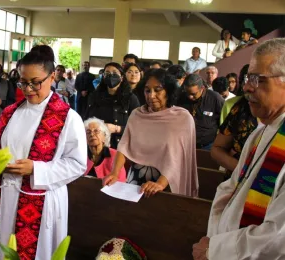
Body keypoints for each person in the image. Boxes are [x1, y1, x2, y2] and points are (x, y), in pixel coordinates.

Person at [0, 45, 87, 260]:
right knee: (1, 248)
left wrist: (36, 169)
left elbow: (77, 163)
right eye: (23, 82)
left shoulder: (67, 117)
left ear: (52, 76)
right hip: (5, 196)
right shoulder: (10, 112)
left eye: (35, 83)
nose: (28, 89)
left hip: (42, 201)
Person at [193, 38, 285, 260]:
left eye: (257, 79)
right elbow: (230, 190)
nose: (246, 87)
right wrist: (214, 240)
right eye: (247, 78)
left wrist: (216, 249)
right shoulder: (259, 134)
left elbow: (279, 237)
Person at [104, 69, 198, 198]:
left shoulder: (182, 118)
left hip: (168, 182)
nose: (151, 95)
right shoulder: (137, 115)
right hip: (136, 181)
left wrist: (160, 184)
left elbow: (179, 158)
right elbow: (124, 147)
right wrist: (114, 173)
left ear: (168, 91)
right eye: (147, 90)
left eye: (158, 90)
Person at [83, 62, 140, 149]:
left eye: (114, 73)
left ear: (121, 77)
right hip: (97, 146)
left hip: (120, 147)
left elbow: (137, 127)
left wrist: (117, 128)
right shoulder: (94, 96)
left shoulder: (131, 98)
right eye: (107, 73)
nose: (111, 75)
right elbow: (87, 119)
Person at [178, 74, 225, 150]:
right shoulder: (181, 97)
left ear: (202, 88)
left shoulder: (215, 98)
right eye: (187, 93)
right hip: (185, 145)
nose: (190, 97)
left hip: (207, 146)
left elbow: (224, 122)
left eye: (193, 94)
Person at [84, 117, 126, 182]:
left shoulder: (115, 155)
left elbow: (121, 181)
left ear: (105, 136)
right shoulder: (82, 154)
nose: (92, 134)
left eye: (96, 131)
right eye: (88, 132)